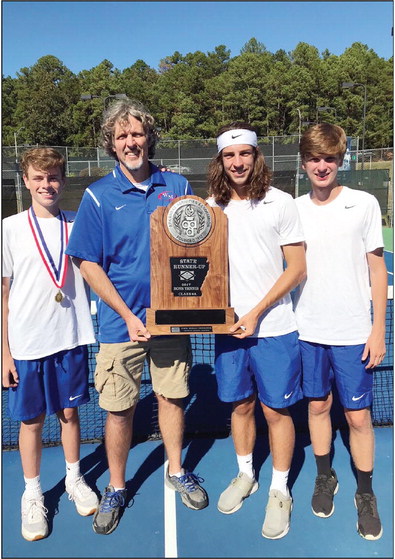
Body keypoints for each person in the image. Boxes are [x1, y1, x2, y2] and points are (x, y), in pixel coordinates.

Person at [65, 98, 208, 536]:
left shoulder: (177, 185)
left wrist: (193, 308)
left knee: (171, 399)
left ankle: (177, 469)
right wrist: (127, 314)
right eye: (122, 135)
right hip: (118, 326)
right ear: (111, 143)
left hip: (170, 324)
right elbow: (86, 262)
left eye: (137, 133)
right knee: (120, 410)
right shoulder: (97, 196)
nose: (131, 142)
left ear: (149, 136)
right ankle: (116, 486)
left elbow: (197, 250)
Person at [206, 122, 306, 539]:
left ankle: (280, 490)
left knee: (275, 411)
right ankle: (246, 473)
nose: (238, 162)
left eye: (244, 154)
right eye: (230, 156)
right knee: (240, 407)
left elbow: (298, 268)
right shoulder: (210, 207)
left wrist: (259, 312)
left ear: (256, 156)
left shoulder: (281, 203)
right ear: (221, 162)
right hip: (227, 329)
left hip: (275, 329)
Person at [294, 123, 387, 540]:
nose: (321, 165)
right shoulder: (291, 208)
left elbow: (377, 268)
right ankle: (324, 475)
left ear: (340, 160)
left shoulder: (365, 204)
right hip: (307, 329)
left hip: (353, 332)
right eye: (314, 158)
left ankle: (365, 493)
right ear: (304, 161)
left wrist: (378, 330)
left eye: (329, 158)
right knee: (317, 408)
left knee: (358, 416)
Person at [2, 147, 99, 542]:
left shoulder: (78, 224)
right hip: (26, 344)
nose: (47, 185)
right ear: (26, 181)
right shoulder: (8, 228)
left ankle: (75, 479)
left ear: (63, 179)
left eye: (54, 177)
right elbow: (3, 295)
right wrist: (3, 352)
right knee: (31, 422)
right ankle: (32, 494)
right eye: (39, 178)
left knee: (70, 416)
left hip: (70, 338)